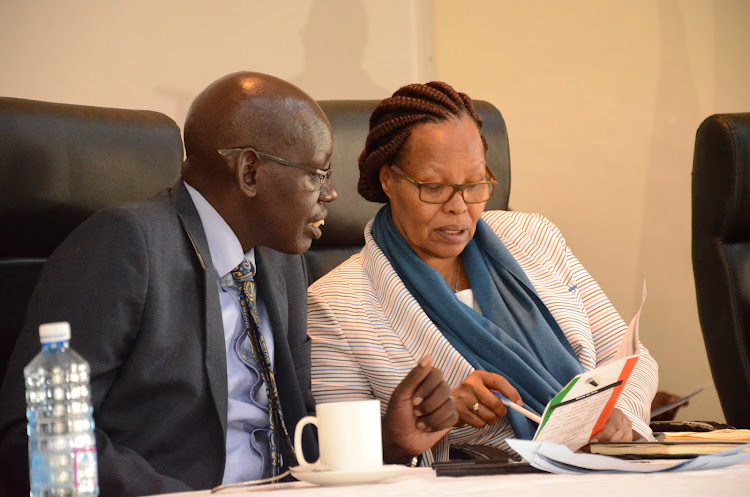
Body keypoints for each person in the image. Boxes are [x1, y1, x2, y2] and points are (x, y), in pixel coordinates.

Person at [0, 72, 456, 496]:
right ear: (250, 172)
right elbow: (39, 434)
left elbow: (295, 431)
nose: (331, 194)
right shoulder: (126, 245)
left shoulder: (279, 260)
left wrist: (388, 441)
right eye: (318, 173)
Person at [307, 81, 659, 463]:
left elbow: (630, 359)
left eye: (475, 184)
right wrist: (417, 429)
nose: (459, 207)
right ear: (388, 179)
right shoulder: (335, 306)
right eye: (436, 187)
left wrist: (621, 418)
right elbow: (341, 458)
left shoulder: (533, 237)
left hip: (604, 469)